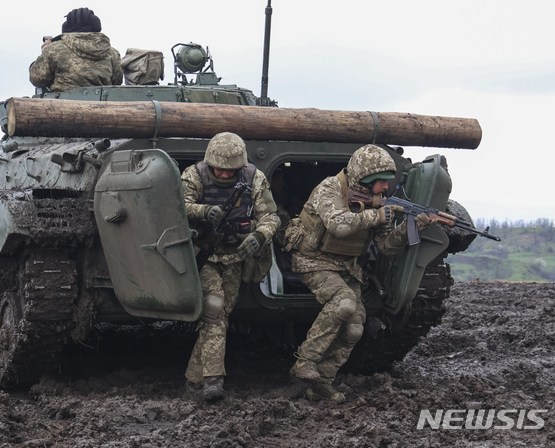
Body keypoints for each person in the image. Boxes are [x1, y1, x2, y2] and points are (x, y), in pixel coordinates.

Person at [284, 144, 433, 403]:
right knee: (344, 302)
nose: (386, 188)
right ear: (365, 179)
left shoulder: (376, 203)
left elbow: (385, 246)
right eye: (381, 183)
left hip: (346, 266)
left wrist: (414, 226)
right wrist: (376, 216)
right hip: (312, 260)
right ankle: (304, 361)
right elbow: (338, 225)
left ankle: (321, 382)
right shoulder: (330, 188)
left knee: (354, 327)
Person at [182, 132, 281, 401]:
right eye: (219, 171)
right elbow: (178, 206)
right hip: (203, 255)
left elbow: (271, 217)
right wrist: (203, 212)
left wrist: (259, 236)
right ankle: (213, 380)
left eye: (231, 172)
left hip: (235, 257)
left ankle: (192, 379)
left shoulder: (253, 178)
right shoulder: (194, 175)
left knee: (220, 317)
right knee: (213, 308)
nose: (225, 176)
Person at [29, 7, 123, 92]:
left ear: (66, 27)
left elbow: (37, 80)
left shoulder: (52, 49)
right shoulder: (112, 53)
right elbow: (117, 83)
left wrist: (43, 54)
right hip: (102, 108)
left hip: (60, 107)